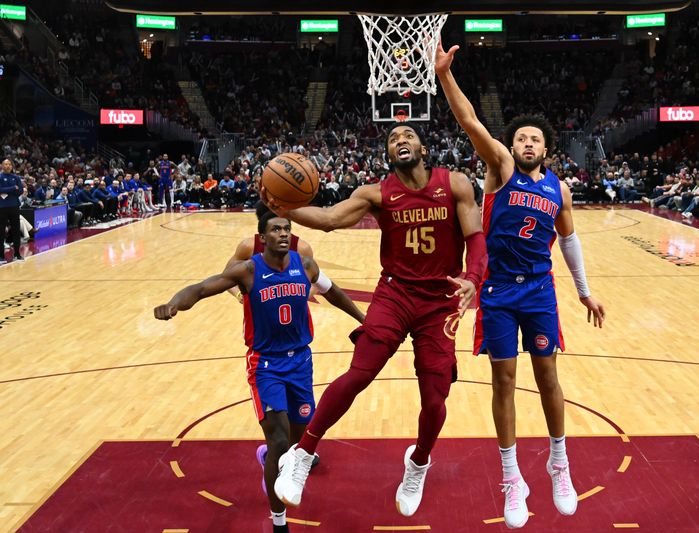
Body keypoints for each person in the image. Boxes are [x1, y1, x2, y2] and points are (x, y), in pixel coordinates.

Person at [270, 122, 487, 517]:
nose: (400, 140)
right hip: (395, 294)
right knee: (360, 372)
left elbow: (475, 238)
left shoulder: (454, 184)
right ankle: (301, 455)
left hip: (440, 301)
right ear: (387, 154)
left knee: (436, 397)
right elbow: (330, 218)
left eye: (408, 135)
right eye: (392, 138)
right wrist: (282, 208)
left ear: (423, 147)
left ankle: (418, 462)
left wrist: (473, 278)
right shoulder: (376, 194)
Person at [436, 40, 605, 529]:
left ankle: (559, 463)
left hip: (539, 290)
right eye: (521, 138)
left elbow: (568, 242)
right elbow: (470, 121)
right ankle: (512, 477)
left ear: (546, 148)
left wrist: (584, 290)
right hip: (497, 292)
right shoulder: (500, 170)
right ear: (512, 147)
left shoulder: (561, 189)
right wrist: (446, 75)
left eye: (535, 139)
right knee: (504, 380)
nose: (528, 143)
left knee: (549, 377)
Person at [154, 214, 364, 533]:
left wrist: (364, 319)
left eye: (286, 229)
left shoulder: (305, 265)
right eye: (275, 229)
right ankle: (279, 522)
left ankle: (270, 453)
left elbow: (333, 291)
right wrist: (174, 303)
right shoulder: (248, 271)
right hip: (266, 365)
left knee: (299, 440)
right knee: (280, 440)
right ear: (262, 238)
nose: (282, 234)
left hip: (301, 363)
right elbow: (201, 288)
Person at [225, 201, 314, 302]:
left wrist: (304, 296)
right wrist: (239, 295)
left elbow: (317, 283)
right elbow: (225, 277)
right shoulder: (248, 246)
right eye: (275, 229)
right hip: (257, 316)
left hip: (295, 316)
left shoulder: (302, 248)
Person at [0, 158, 24, 263]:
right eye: (5, 164)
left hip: (14, 207)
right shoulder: (0, 177)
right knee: (1, 232)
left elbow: (21, 190)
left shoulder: (16, 177)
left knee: (16, 231)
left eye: (9, 164)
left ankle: (17, 254)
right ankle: (1, 257)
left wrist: (10, 190)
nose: (8, 166)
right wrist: (12, 188)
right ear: (1, 166)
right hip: (2, 207)